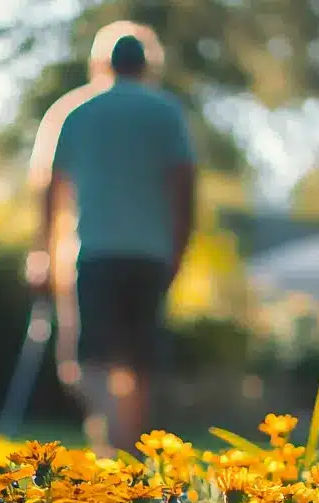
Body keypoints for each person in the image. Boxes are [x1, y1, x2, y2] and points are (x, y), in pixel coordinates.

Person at [25, 21, 197, 458]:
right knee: (138, 365)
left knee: (87, 363)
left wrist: (43, 253)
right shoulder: (166, 111)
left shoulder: (74, 110)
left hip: (95, 252)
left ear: (100, 63)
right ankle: (127, 452)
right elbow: (185, 186)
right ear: (148, 64)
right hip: (152, 255)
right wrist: (179, 250)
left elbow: (51, 189)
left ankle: (114, 451)